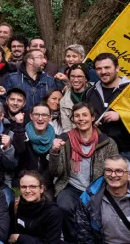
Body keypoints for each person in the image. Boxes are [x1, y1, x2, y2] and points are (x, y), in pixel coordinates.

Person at [47, 102, 118, 242]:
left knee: (100, 213)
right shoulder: (64, 139)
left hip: (97, 187)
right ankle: (71, 240)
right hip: (71, 186)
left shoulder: (108, 142)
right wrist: (54, 152)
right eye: (77, 116)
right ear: (73, 119)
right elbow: (56, 172)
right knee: (64, 206)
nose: (81, 119)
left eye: (85, 115)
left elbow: (114, 168)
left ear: (92, 117)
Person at [74, 155, 130, 243]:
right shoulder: (89, 198)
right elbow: (84, 235)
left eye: (119, 171)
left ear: (129, 175)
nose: (113, 175)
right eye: (108, 170)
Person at [84, 53, 130, 155]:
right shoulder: (90, 92)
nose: (103, 72)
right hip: (98, 148)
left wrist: (121, 116)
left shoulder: (128, 89)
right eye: (99, 68)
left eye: (107, 67)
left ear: (117, 68)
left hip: (126, 150)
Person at [9, 171, 63, 244]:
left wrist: (20, 238)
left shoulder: (53, 212)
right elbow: (10, 233)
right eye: (23, 187)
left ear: (41, 189)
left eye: (33, 187)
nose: (27, 190)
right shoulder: (15, 205)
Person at [17, 103, 56, 193]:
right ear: (31, 116)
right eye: (36, 114)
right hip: (23, 184)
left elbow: (53, 170)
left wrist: (40, 185)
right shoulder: (21, 136)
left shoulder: (56, 140)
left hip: (46, 186)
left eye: (44, 115)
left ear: (50, 118)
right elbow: (18, 157)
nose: (40, 118)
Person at [60, 64, 91, 132]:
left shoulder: (95, 93)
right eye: (72, 76)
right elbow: (67, 127)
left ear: (86, 78)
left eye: (79, 76)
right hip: (76, 136)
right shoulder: (64, 101)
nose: (76, 80)